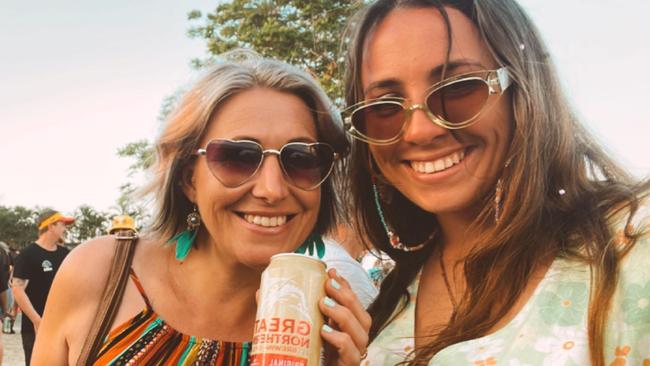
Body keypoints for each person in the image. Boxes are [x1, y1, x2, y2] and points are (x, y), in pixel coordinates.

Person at [341, 0, 650, 365]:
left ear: (523, 90)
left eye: (458, 89)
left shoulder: (632, 243)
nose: (420, 130)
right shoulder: (388, 303)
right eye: (384, 109)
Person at [32, 51, 371, 365]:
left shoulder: (329, 326)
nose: (272, 189)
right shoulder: (102, 274)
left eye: (301, 159)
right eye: (238, 157)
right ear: (187, 179)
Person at [12, 209, 74, 365]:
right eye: (62, 224)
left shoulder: (65, 254)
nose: (65, 229)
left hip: (62, 326)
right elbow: (17, 289)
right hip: (35, 327)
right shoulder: (28, 254)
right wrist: (37, 321)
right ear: (51, 226)